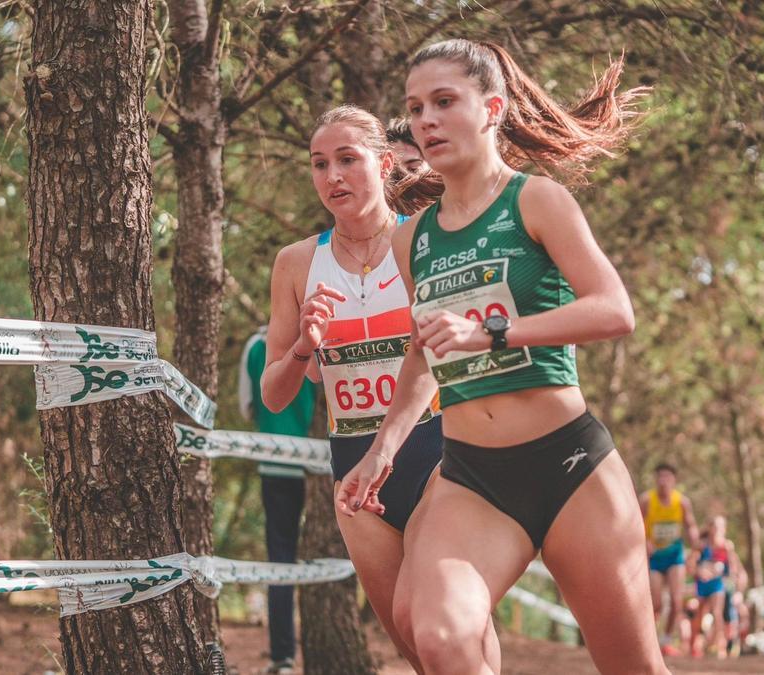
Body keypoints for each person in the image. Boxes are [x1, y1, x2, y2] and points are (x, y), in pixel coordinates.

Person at [335, 39, 664, 674]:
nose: (427, 120)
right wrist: (382, 450)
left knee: (635, 668)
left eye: (444, 102)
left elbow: (614, 310)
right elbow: (422, 355)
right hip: (474, 480)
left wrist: (494, 333)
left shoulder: (536, 201)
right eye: (416, 107)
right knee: (440, 637)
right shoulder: (411, 240)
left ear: (492, 109)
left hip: (570, 465)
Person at [259, 105, 447, 672]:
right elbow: (274, 394)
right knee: (411, 640)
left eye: (348, 159)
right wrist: (304, 347)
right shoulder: (295, 264)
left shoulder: (426, 242)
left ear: (385, 164)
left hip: (437, 449)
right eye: (320, 164)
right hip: (353, 467)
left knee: (444, 623)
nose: (332, 176)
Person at [239, 326, 318, 674]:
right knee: (320, 558)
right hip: (318, 463)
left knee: (281, 558)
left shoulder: (255, 346)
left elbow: (247, 406)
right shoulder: (320, 340)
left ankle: (283, 656)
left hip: (275, 466)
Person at [640, 462, 700, 655]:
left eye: (667, 477)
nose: (664, 481)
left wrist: (695, 548)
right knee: (656, 603)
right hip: (655, 558)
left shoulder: (681, 502)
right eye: (660, 477)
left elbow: (690, 526)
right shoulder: (647, 500)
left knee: (676, 601)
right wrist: (645, 541)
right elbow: (636, 524)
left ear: (674, 480)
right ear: (656, 479)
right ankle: (648, 641)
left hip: (675, 556)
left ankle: (665, 641)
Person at [693, 516, 743, 659]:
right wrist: (699, 571)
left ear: (724, 530)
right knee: (700, 613)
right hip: (702, 584)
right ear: (709, 528)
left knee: (717, 612)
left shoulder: (727, 546)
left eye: (720, 527)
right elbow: (691, 564)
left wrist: (734, 587)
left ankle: (720, 646)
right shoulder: (701, 545)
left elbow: (733, 568)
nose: (717, 530)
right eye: (715, 527)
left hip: (718, 583)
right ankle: (697, 645)